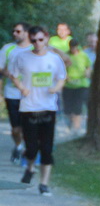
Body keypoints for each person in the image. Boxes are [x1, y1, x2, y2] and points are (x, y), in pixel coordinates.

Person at [10, 26, 64, 196]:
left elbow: (62, 77)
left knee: (47, 148)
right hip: (29, 108)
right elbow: (13, 75)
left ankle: (44, 184)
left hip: (48, 108)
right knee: (32, 147)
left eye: (40, 39)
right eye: (33, 40)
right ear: (30, 40)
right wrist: (21, 88)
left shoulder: (54, 59)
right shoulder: (22, 57)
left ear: (46, 38)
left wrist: (56, 88)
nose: (37, 43)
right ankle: (30, 168)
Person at [5, 22, 28, 164]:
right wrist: (8, 73)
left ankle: (27, 151)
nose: (15, 34)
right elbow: (1, 68)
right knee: (15, 129)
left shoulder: (34, 48)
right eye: (14, 31)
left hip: (29, 94)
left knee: (28, 126)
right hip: (12, 93)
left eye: (18, 31)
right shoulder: (8, 49)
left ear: (26, 33)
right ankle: (18, 146)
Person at [62, 38, 91, 137]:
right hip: (68, 85)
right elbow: (60, 68)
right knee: (68, 108)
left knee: (77, 106)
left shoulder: (83, 55)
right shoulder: (66, 56)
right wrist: (65, 76)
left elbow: (88, 66)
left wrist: (87, 72)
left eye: (74, 47)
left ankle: (76, 129)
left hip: (81, 84)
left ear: (78, 46)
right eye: (71, 47)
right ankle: (71, 123)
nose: (73, 49)